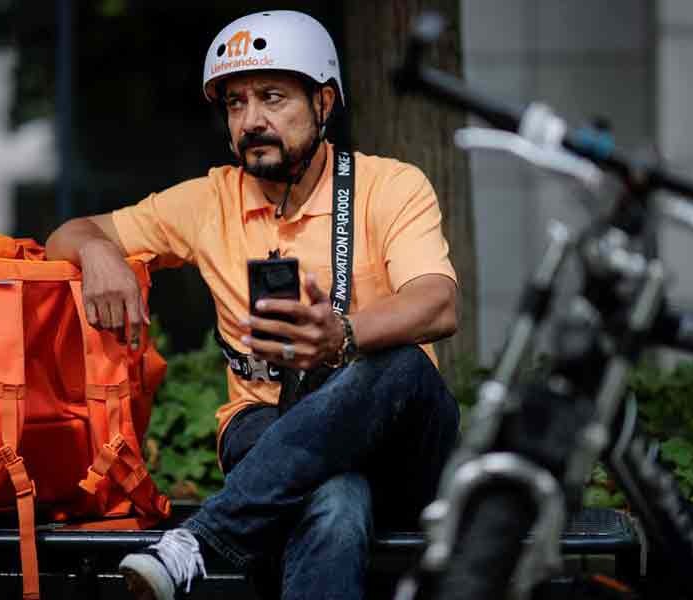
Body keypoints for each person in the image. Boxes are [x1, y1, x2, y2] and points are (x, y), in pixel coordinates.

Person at [46, 10, 460, 600]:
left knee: (404, 365)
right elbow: (70, 232)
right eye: (236, 103)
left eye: (272, 97)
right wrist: (99, 253)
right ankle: (196, 545)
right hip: (265, 427)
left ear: (323, 102)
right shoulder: (208, 199)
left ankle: (202, 540)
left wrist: (341, 334)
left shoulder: (390, 186)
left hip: (398, 445)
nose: (251, 120)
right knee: (336, 501)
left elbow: (438, 303)